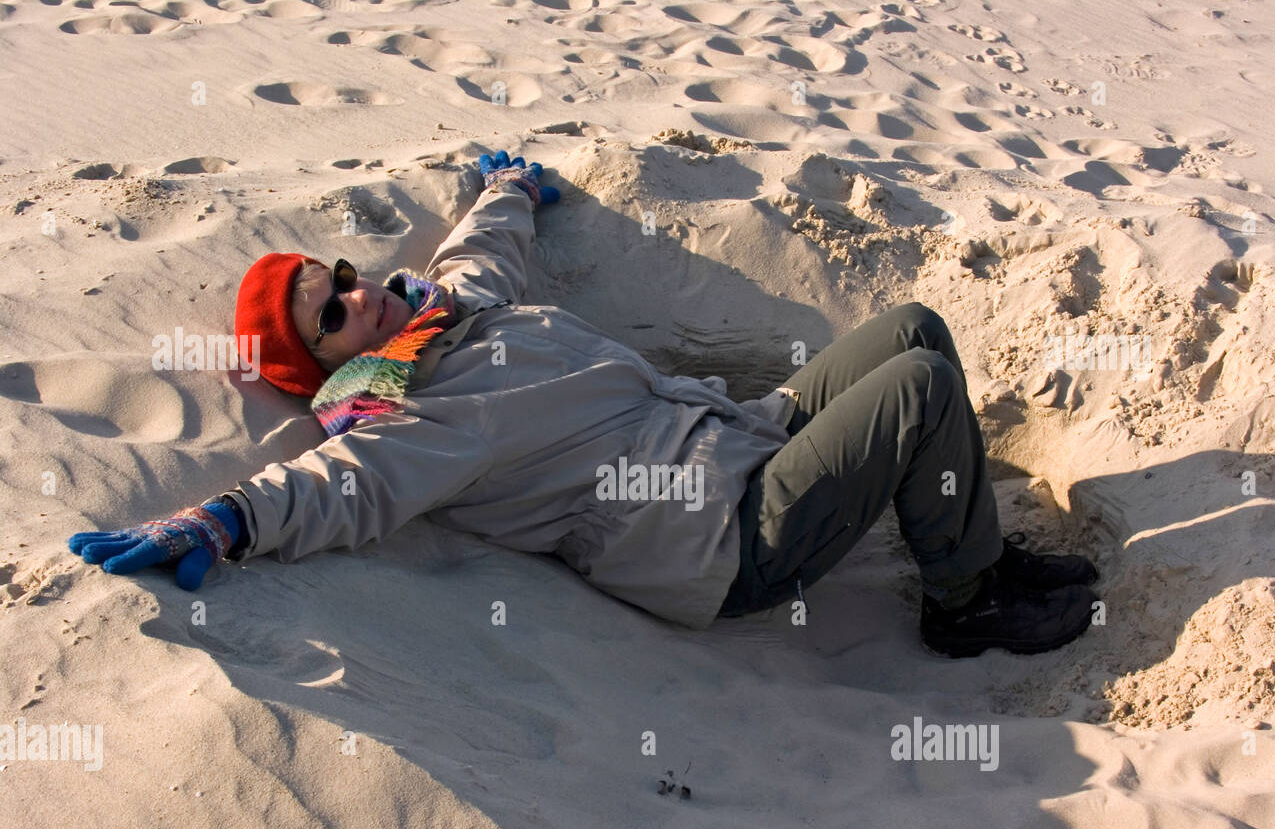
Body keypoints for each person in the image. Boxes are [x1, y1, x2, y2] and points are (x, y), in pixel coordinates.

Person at [68, 150, 1100, 658]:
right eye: (328, 312)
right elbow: (339, 488)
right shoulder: (407, 423)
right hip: (723, 534)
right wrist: (225, 519)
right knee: (918, 390)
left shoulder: (449, 313)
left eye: (335, 272)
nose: (352, 289)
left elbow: (482, 251)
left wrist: (505, 185)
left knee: (914, 327)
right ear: (329, 366)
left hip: (742, 434)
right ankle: (968, 604)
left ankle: (975, 548)